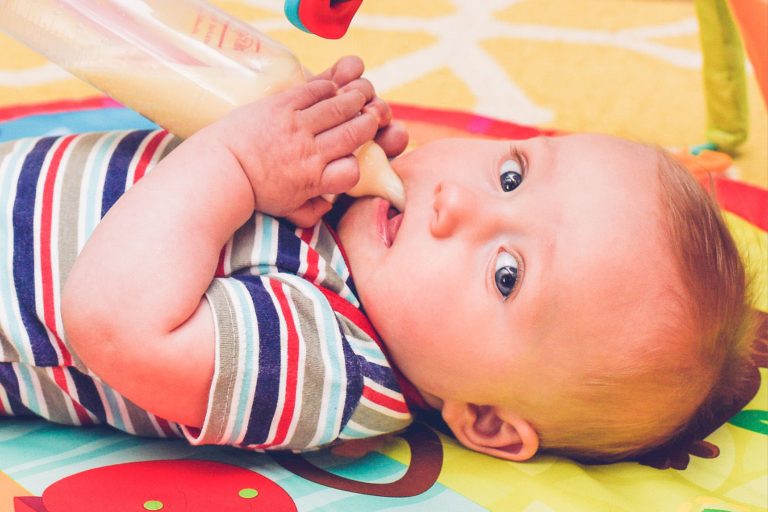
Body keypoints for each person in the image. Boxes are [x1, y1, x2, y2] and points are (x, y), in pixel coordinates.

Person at [0, 56, 754, 464]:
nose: (456, 204)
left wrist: (235, 163)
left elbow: (110, 321)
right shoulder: (354, 227)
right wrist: (295, 135)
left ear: (486, 419)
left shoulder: (334, 362)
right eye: (511, 175)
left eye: (506, 275)